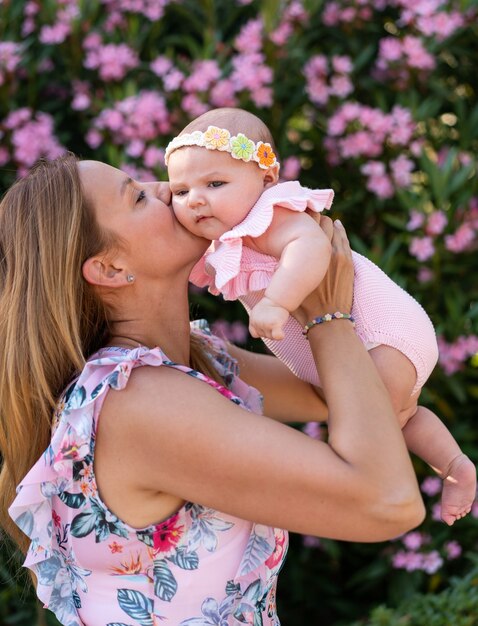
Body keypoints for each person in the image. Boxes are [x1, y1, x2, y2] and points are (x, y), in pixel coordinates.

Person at [0, 154, 424, 626]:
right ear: (110, 269)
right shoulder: (139, 401)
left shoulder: (195, 358)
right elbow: (387, 501)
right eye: (139, 197)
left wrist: (289, 256)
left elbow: (349, 395)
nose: (168, 188)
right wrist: (327, 316)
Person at [166, 107, 476, 527]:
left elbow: (311, 247)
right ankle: (455, 464)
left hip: (379, 333)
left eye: (215, 183)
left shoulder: (269, 216)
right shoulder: (227, 236)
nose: (195, 199)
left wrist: (277, 301)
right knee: (398, 417)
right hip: (363, 350)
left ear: (266, 180)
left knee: (368, 426)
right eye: (180, 191)